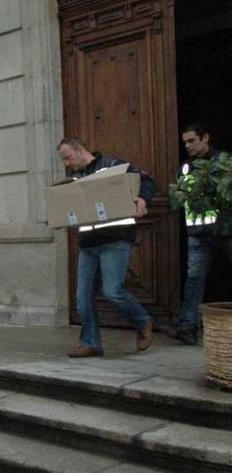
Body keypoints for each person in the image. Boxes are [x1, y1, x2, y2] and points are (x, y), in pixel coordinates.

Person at [57, 138, 156, 358]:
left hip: (116, 239)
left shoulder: (112, 166)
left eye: (67, 157)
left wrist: (142, 198)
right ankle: (91, 343)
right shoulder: (74, 178)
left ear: (80, 150)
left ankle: (143, 321)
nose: (66, 163)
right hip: (89, 244)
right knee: (83, 299)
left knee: (113, 291)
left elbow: (146, 180)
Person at [175, 123, 231, 345]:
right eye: (185, 142)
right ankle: (187, 325)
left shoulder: (224, 162)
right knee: (194, 280)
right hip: (199, 234)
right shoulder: (187, 168)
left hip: (227, 231)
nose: (187, 145)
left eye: (191, 140)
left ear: (205, 138)